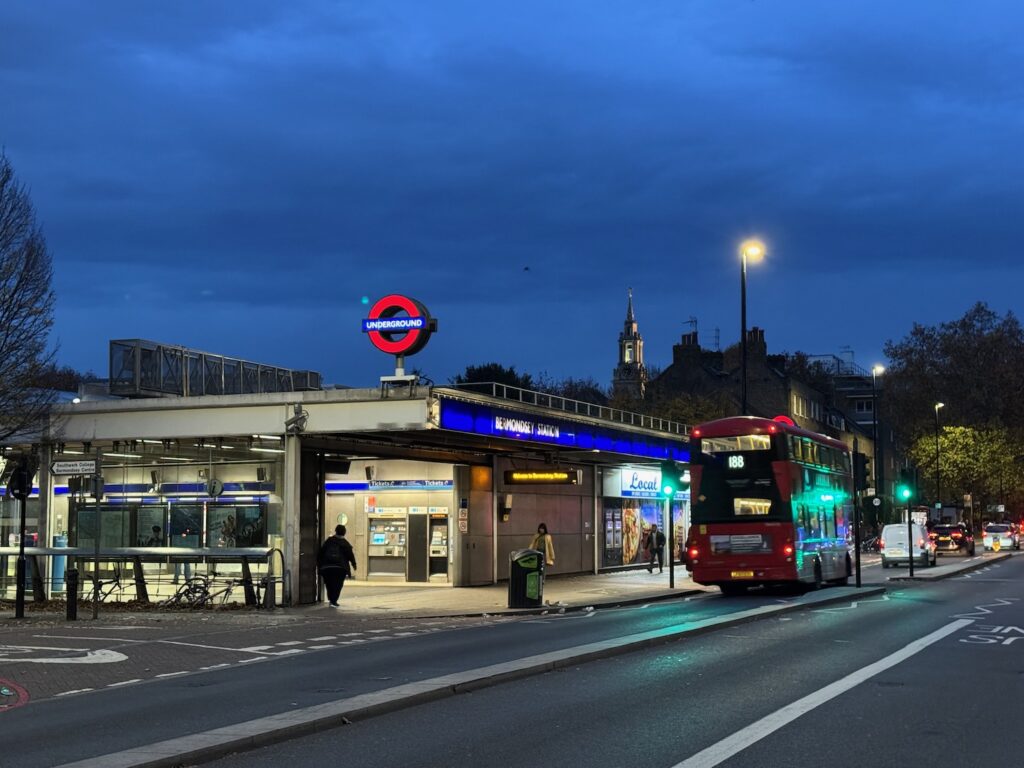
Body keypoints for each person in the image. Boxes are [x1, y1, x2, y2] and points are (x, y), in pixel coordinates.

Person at [318, 524, 357, 607]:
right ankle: (333, 600)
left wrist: (319, 564)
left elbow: (321, 552)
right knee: (338, 585)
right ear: (344, 533)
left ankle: (331, 599)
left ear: (335, 531)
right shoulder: (345, 543)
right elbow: (350, 555)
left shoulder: (329, 541)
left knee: (329, 584)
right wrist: (354, 564)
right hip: (340, 568)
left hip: (327, 567)